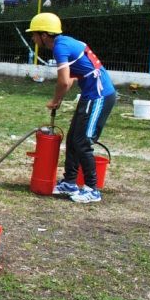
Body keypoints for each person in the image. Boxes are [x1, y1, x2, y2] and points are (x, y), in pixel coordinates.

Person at [27, 12, 116, 203]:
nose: (33, 38)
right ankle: (69, 182)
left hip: (99, 96)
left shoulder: (60, 48)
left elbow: (64, 82)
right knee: (74, 138)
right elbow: (79, 74)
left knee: (83, 141)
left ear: (44, 35)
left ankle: (92, 189)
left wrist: (56, 100)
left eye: (34, 34)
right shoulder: (64, 43)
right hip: (90, 95)